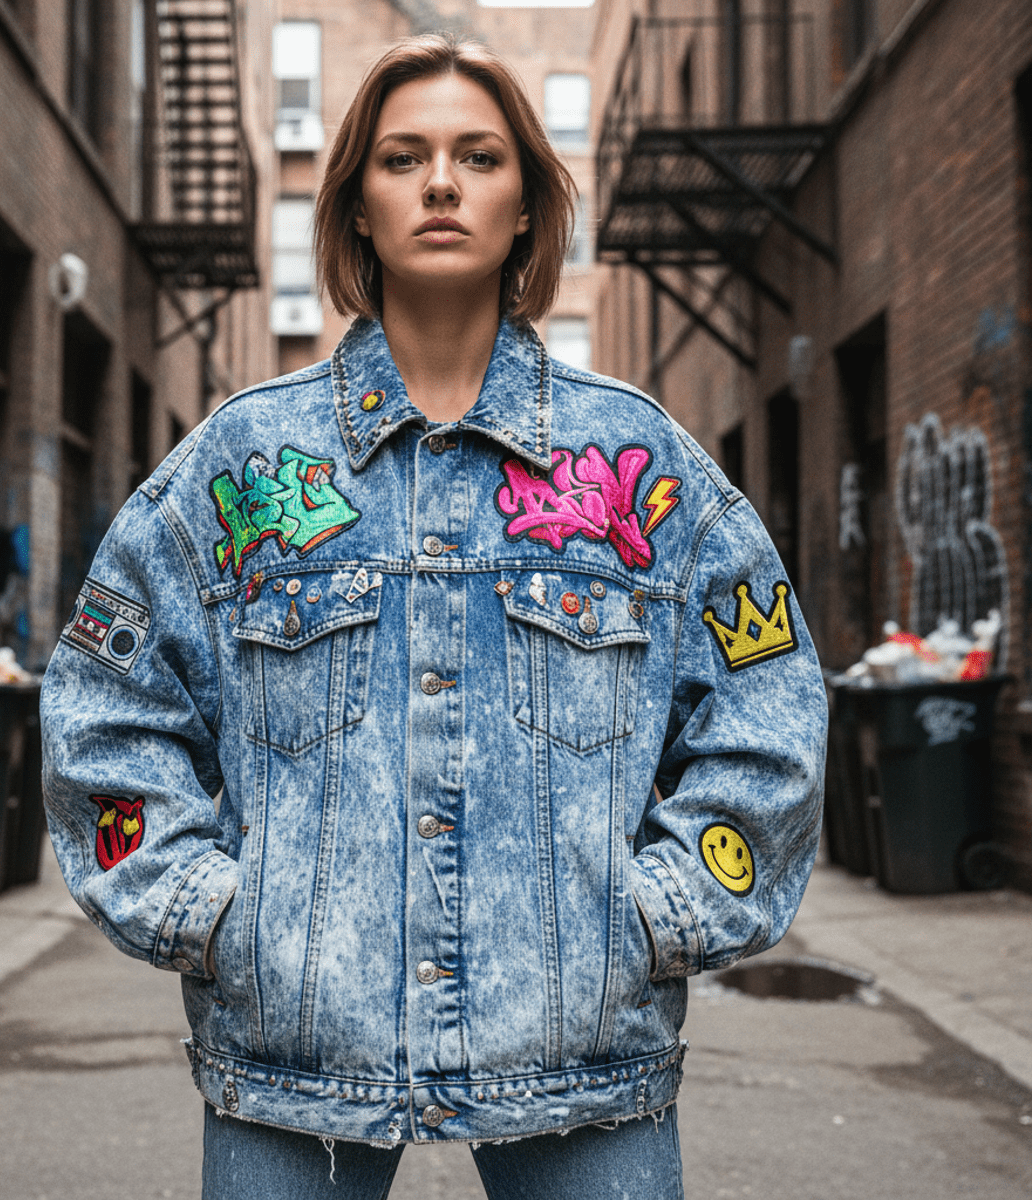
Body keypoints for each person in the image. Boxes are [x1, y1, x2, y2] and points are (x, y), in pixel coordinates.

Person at [41, 33, 827, 1200]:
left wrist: (661, 910)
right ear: (356, 202)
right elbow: (104, 701)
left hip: (584, 1057)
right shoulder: (246, 466)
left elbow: (770, 699)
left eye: (480, 156)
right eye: (404, 157)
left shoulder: (638, 465)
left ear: (526, 206)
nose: (444, 183)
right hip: (293, 1054)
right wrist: (211, 913)